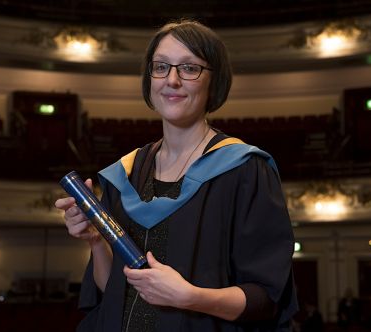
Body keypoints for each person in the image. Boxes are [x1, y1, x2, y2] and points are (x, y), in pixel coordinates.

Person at [55, 19, 298, 332]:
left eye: (189, 68)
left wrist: (190, 297)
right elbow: (112, 289)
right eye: (160, 67)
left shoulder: (245, 171)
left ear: (215, 81)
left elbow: (266, 298)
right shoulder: (124, 175)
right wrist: (96, 242)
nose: (172, 80)